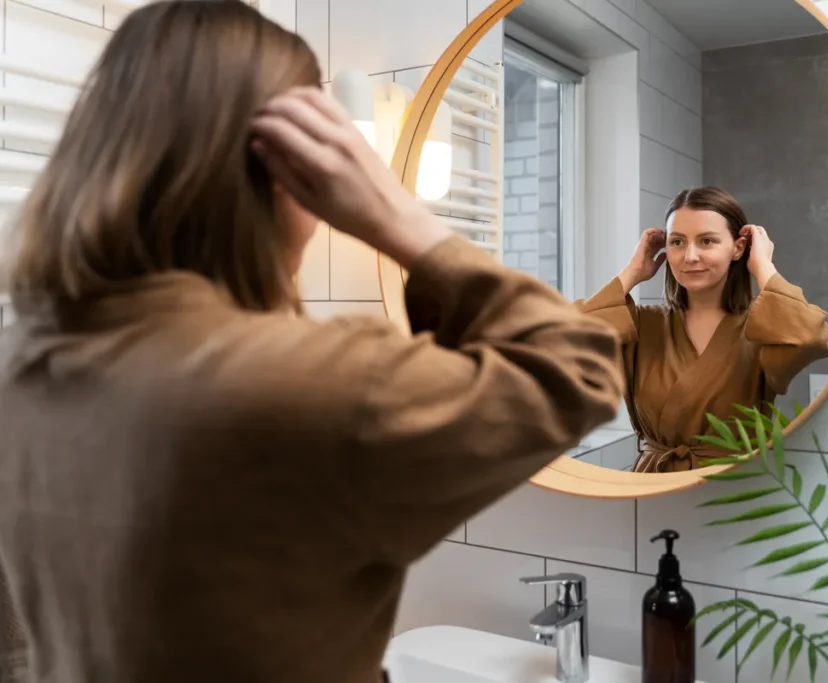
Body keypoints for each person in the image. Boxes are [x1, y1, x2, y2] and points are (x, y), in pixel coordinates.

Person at [0, 2, 623, 683]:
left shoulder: (21, 362)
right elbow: (581, 364)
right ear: (279, 175)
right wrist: (401, 217)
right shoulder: (310, 384)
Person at [577, 186, 828, 473]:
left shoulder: (764, 329)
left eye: (707, 241)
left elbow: (812, 337)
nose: (689, 256)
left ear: (738, 248)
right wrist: (632, 271)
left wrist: (763, 266)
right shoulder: (641, 326)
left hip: (736, 489)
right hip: (653, 487)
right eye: (677, 242)